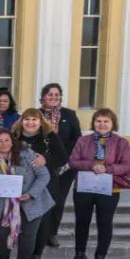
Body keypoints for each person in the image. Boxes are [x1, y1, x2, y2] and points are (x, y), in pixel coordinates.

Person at [66, 109, 130, 259]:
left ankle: (99, 258)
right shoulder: (83, 141)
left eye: (106, 121)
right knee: (81, 222)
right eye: (98, 121)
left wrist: (107, 168)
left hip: (109, 188)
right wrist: (91, 166)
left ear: (112, 124)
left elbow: (127, 165)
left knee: (104, 223)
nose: (102, 124)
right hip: (84, 187)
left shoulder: (121, 143)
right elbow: (73, 161)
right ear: (93, 123)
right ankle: (79, 256)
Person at [0, 129, 53, 259]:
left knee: (28, 235)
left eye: (7, 140)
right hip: (4, 203)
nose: (3, 144)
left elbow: (44, 175)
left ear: (12, 141)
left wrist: (31, 194)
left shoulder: (27, 155)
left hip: (30, 201)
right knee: (3, 235)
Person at [12, 109, 69, 259]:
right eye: (27, 119)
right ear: (21, 121)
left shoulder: (48, 136)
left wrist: (46, 158)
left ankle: (36, 257)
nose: (30, 122)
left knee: (43, 222)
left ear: (40, 121)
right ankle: (23, 257)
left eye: (34, 119)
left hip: (45, 185)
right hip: (20, 184)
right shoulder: (15, 136)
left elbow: (62, 157)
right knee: (23, 222)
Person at [39, 83, 83, 248]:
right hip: (42, 164)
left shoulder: (69, 115)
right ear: (43, 97)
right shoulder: (36, 114)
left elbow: (76, 138)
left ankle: (51, 233)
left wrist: (65, 158)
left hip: (65, 167)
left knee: (58, 200)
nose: (53, 98)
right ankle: (38, 231)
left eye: (57, 95)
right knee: (40, 197)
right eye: (50, 94)